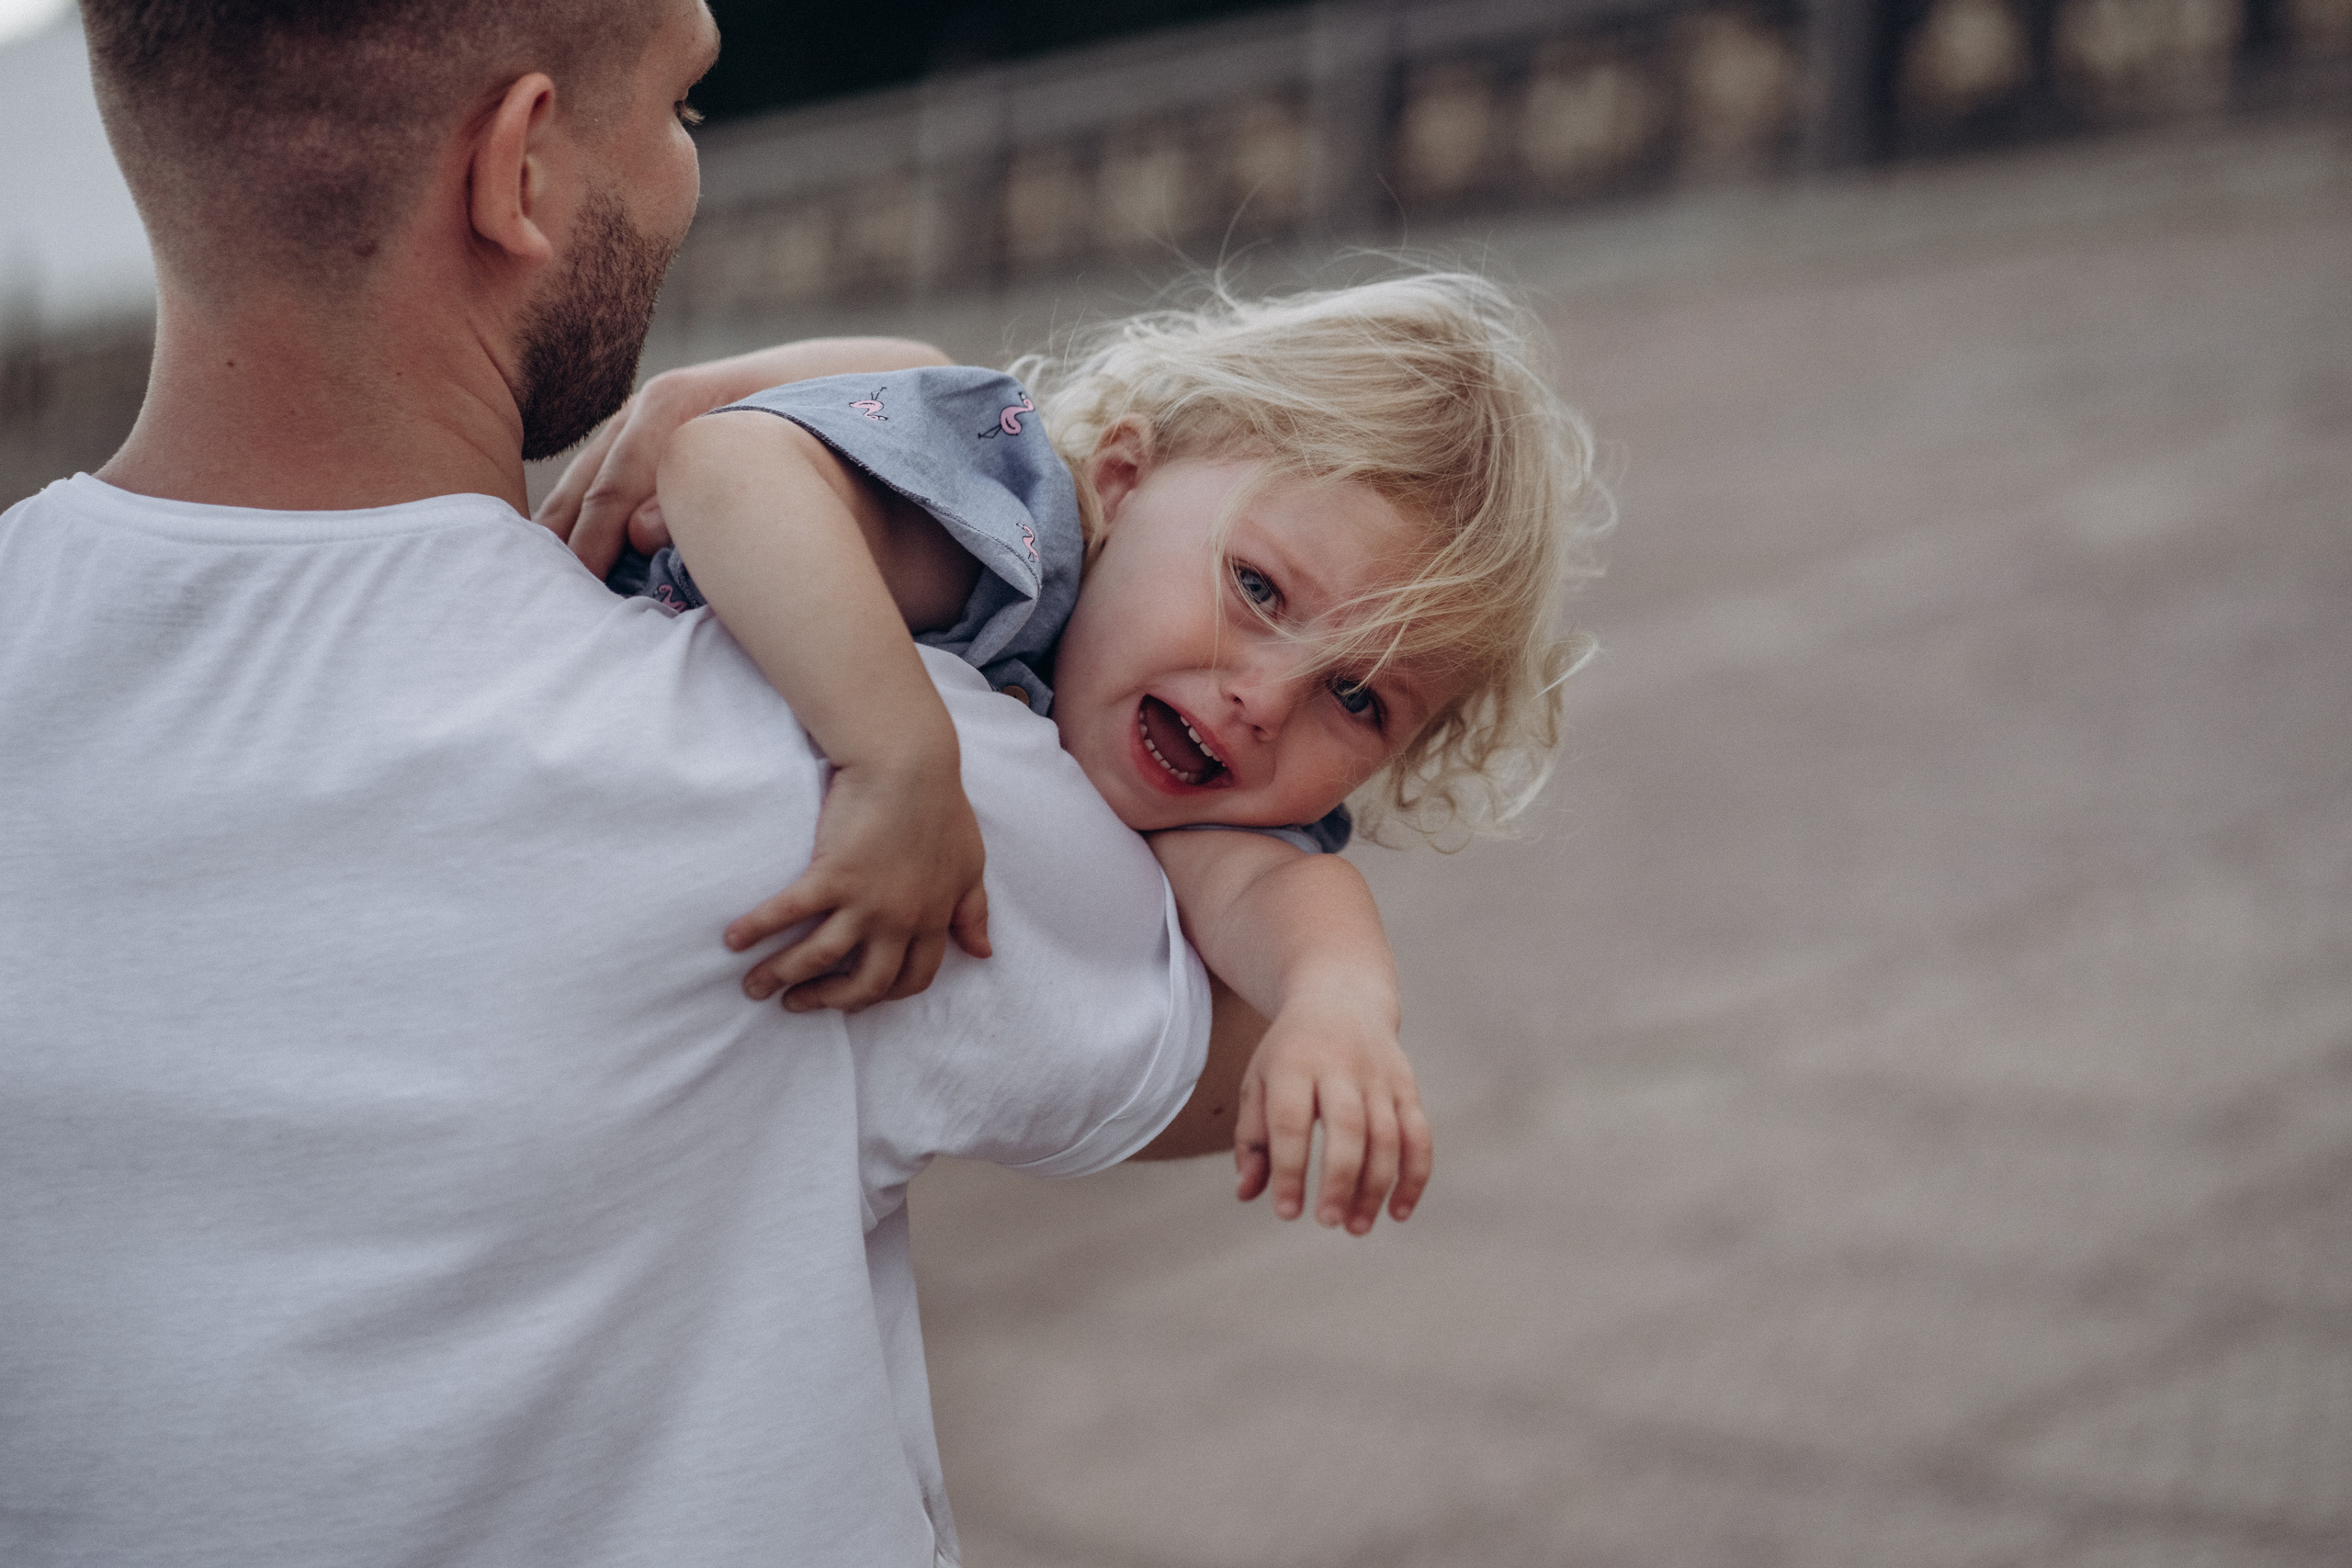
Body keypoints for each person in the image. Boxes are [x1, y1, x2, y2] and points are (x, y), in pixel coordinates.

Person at [0, 3, 1243, 1564]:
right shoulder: (827, 760)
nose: (683, 176)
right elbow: (1255, 1064)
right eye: (679, 113)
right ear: (518, 167)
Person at [538, 274, 1609, 1237]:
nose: (1263, 702)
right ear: (1123, 478)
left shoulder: (1211, 806)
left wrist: (1339, 1007)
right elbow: (721, 460)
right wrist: (899, 762)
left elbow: (1282, 892)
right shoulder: (1005, 536)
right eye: (1259, 589)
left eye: (1357, 698)